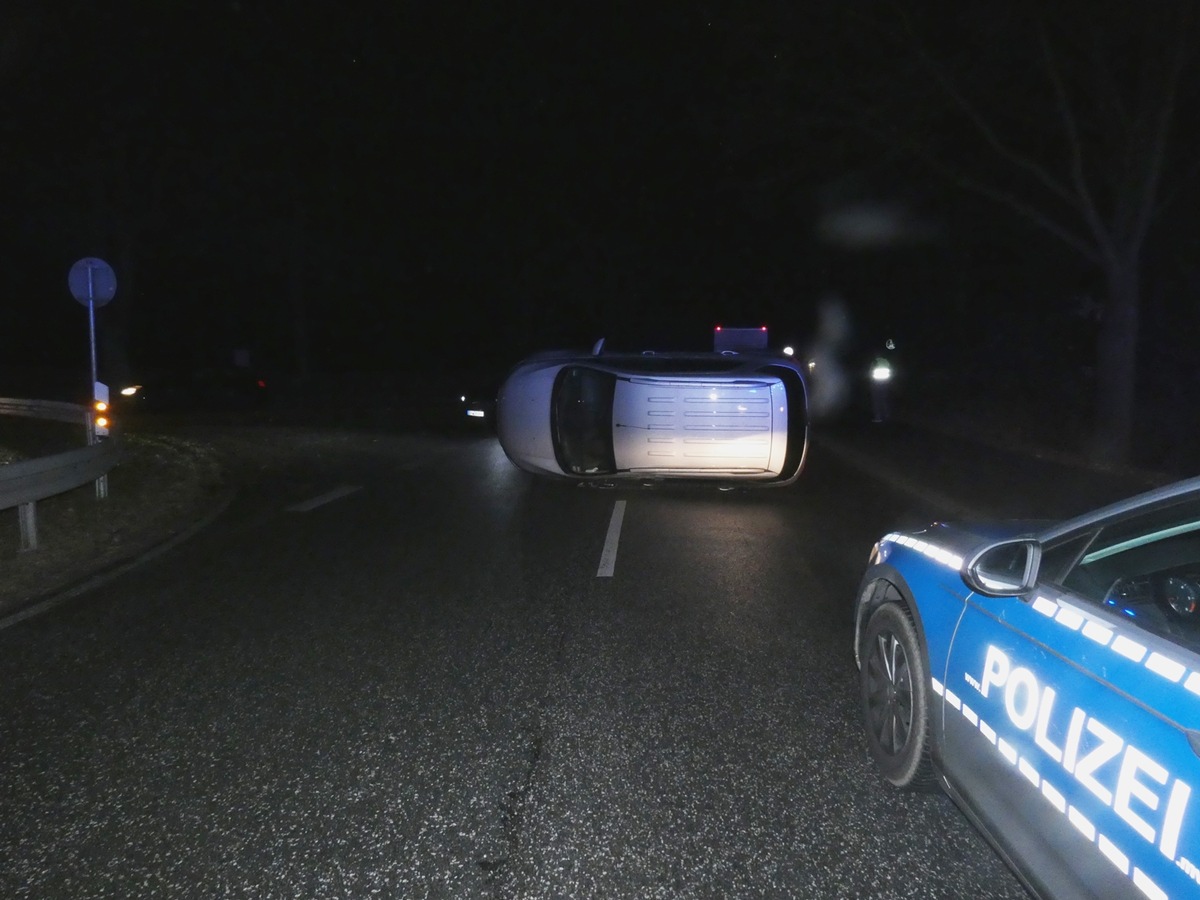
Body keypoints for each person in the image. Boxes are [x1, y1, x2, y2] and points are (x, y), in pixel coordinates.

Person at [869, 347, 893, 423]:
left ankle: (878, 417)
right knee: (884, 400)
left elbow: (871, 372)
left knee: (877, 401)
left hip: (877, 383)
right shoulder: (886, 361)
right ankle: (886, 416)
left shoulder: (875, 362)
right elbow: (890, 371)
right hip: (885, 383)